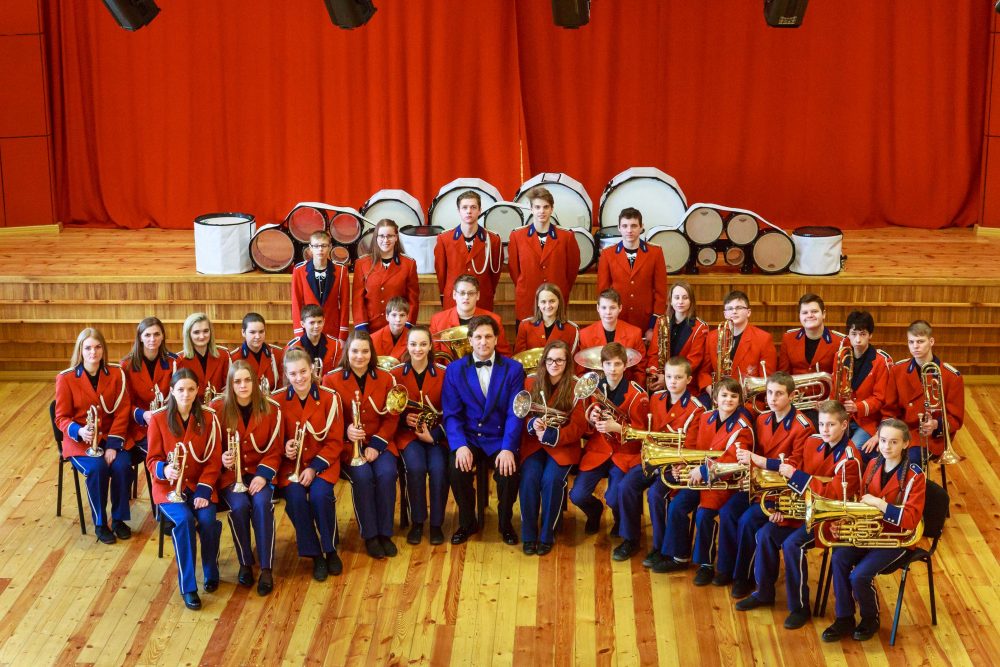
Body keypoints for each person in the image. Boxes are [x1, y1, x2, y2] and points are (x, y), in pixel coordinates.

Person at [735, 400, 863, 629]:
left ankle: (800, 607)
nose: (824, 430)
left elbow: (831, 496)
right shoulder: (813, 441)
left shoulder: (850, 459)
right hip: (801, 510)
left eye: (831, 425)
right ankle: (764, 592)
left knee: (793, 545)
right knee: (765, 534)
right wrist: (779, 506)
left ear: (845, 425)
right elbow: (792, 472)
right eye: (821, 424)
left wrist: (797, 476)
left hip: (829, 518)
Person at [821, 418, 925, 643]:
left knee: (859, 576)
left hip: (897, 539)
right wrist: (845, 521)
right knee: (838, 557)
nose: (887, 446)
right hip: (869, 532)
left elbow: (910, 520)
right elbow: (860, 502)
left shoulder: (915, 476)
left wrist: (880, 504)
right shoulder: (872, 466)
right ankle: (844, 617)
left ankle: (870, 618)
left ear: (906, 444)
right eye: (884, 440)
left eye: (894, 442)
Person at [654, 378, 753, 578]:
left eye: (733, 396)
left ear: (740, 400)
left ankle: (706, 564)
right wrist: (682, 465)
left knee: (703, 515)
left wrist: (704, 471)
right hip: (701, 479)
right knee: (677, 506)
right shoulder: (706, 416)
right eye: (724, 395)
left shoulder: (743, 427)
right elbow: (692, 446)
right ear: (715, 398)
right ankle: (679, 557)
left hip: (725, 484)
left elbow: (732, 459)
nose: (728, 399)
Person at [727, 372, 813, 598]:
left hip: (782, 492)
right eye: (769, 393)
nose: (772, 398)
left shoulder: (803, 426)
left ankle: (744, 578)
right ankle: (727, 569)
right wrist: (750, 474)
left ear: (792, 396)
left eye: (779, 394)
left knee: (747, 521)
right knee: (728, 511)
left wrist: (758, 461)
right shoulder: (763, 419)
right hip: (759, 485)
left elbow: (794, 466)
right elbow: (755, 454)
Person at [442, 315, 525, 546]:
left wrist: (508, 448)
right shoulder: (454, 370)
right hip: (470, 437)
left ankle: (505, 524)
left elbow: (515, 413)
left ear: (496, 339)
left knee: (509, 472)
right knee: (456, 469)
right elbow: (452, 414)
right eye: (478, 337)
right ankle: (467, 522)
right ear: (469, 340)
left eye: (488, 336)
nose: (483, 342)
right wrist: (459, 445)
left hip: (500, 438)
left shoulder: (514, 369)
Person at [146, 368, 223, 610]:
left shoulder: (209, 417)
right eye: (180, 390)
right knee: (185, 521)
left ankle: (211, 570)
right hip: (169, 488)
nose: (186, 394)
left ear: (198, 390)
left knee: (208, 520)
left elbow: (214, 459)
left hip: (199, 485)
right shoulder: (158, 419)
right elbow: (151, 460)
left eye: (191, 389)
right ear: (171, 391)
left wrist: (204, 490)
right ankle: (188, 587)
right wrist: (164, 469)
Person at [322, 331, 400, 559]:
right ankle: (371, 536)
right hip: (349, 446)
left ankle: (385, 533)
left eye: (365, 351)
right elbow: (327, 418)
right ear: (347, 352)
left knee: (387, 474)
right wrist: (345, 430)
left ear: (371, 353)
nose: (360, 356)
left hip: (380, 442)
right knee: (363, 477)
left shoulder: (386, 378)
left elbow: (392, 416)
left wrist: (376, 444)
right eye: (355, 351)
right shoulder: (331, 379)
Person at [570, 342, 650, 560]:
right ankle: (595, 512)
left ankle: (620, 521)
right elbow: (586, 426)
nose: (612, 369)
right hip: (599, 450)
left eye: (617, 364)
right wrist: (591, 417)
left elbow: (643, 433)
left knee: (615, 498)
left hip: (625, 453)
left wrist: (618, 428)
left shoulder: (637, 394)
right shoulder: (595, 388)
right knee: (577, 495)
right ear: (601, 365)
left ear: (625, 365)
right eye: (608, 364)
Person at [54, 328, 132, 543]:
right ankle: (100, 522)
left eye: (98, 347)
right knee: (97, 469)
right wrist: (79, 431)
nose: (93, 352)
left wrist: (113, 445)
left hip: (111, 437)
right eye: (88, 348)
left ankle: (119, 519)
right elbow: (61, 418)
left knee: (122, 466)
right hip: (81, 442)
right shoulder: (66, 378)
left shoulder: (116, 373)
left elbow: (123, 410)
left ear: (103, 349)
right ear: (80, 350)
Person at [273, 349, 344, 581]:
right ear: (286, 374)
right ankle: (315, 555)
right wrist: (285, 446)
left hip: (322, 463)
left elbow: (335, 441)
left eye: (303, 371)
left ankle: (330, 549)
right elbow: (271, 439)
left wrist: (314, 468)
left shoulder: (329, 397)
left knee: (320, 496)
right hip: (290, 466)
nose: (299, 378)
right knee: (295, 498)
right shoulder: (277, 400)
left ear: (312, 369)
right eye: (293, 374)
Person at [214, 361, 283, 596]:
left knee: (262, 504)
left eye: (247, 380)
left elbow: (275, 449)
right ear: (230, 384)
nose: (243, 386)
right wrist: (221, 458)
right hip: (230, 475)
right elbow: (210, 446)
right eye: (237, 381)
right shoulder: (217, 409)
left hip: (259, 472)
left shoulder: (271, 408)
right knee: (240, 506)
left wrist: (263, 475)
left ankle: (266, 567)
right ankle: (245, 562)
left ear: (255, 382)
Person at [519, 340, 589, 556]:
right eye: (549, 360)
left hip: (562, 445)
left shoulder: (577, 387)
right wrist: (533, 423)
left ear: (567, 362)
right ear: (543, 361)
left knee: (551, 481)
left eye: (559, 360)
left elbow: (578, 426)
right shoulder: (531, 382)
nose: (554, 364)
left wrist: (552, 434)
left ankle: (547, 534)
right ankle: (529, 534)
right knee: (529, 478)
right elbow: (522, 413)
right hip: (534, 444)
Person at [642, 356, 705, 570]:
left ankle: (660, 547)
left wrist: (678, 464)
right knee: (627, 484)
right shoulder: (656, 398)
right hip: (655, 459)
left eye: (678, 377)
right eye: (668, 377)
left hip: (676, 465)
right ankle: (630, 538)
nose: (672, 381)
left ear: (689, 379)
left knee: (655, 494)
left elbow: (692, 446)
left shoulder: (696, 408)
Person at [391, 326, 448, 545]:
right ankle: (417, 522)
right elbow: (390, 410)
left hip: (435, 436)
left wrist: (435, 435)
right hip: (409, 435)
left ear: (431, 346)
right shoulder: (395, 374)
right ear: (407, 346)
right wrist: (404, 419)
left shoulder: (443, 372)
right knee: (415, 469)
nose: (418, 349)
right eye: (413, 344)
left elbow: (452, 410)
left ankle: (436, 524)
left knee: (439, 469)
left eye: (423, 344)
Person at [884, 320, 964, 466]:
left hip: (932, 438)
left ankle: (914, 482)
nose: (915, 346)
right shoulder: (897, 370)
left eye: (920, 341)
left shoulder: (951, 376)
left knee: (909, 460)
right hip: (902, 432)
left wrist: (936, 424)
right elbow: (889, 409)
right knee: (874, 455)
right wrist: (886, 434)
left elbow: (956, 420)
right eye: (911, 342)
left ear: (931, 341)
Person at [507, 187, 580, 321]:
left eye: (546, 207)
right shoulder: (517, 236)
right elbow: (514, 271)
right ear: (531, 209)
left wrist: (560, 288)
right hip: (527, 300)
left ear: (552, 209)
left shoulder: (566, 236)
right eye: (537, 207)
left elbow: (572, 270)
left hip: (555, 300)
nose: (542, 211)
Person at [596, 207, 667, 339]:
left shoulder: (655, 253)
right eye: (625, 226)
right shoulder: (607, 254)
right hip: (617, 319)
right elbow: (603, 292)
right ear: (619, 228)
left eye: (634, 226)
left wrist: (653, 326)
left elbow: (661, 293)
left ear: (641, 227)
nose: (629, 230)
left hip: (645, 320)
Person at [697, 291, 777, 403]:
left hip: (748, 401)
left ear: (748, 312)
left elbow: (767, 379)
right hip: (717, 397)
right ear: (725, 314)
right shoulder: (712, 337)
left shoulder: (764, 339)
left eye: (739, 307)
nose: (734, 311)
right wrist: (713, 392)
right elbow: (704, 372)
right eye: (729, 308)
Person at [433, 190, 503, 312]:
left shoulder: (493, 240)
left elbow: (494, 275)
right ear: (458, 211)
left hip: (481, 300)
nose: (469, 211)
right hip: (454, 300)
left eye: (473, 207)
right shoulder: (444, 239)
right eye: (464, 207)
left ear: (479, 210)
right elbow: (441, 273)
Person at [121, 317, 176, 460]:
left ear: (163, 336)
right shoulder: (126, 365)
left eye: (157, 334)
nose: (153, 339)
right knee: (162, 455)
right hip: (140, 428)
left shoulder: (174, 362)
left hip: (168, 425)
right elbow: (124, 403)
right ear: (140, 337)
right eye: (147, 335)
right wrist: (143, 415)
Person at [841, 311, 893, 463]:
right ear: (848, 335)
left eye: (863, 334)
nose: (858, 339)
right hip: (843, 418)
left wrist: (857, 407)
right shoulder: (841, 356)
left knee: (851, 453)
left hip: (868, 422)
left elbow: (880, 399)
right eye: (854, 334)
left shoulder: (880, 361)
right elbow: (836, 389)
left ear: (870, 335)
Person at [352, 218, 419, 333]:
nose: (385, 240)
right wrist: (362, 328)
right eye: (381, 236)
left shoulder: (409, 264)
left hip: (398, 327)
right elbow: (358, 301)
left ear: (396, 237)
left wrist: (407, 326)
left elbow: (413, 300)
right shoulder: (362, 264)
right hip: (370, 328)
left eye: (390, 236)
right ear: (376, 238)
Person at [578, 289, 649, 387]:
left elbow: (640, 370)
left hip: (626, 388)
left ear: (620, 308)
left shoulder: (635, 333)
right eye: (604, 307)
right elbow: (581, 370)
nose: (608, 312)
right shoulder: (585, 334)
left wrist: (633, 392)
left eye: (612, 307)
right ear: (598, 308)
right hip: (595, 388)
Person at [647, 281, 709, 394]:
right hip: (660, 379)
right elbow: (653, 353)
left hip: (685, 383)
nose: (680, 301)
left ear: (691, 301)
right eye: (676, 297)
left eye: (685, 298)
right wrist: (655, 374)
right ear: (670, 301)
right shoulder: (661, 321)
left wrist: (669, 378)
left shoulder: (700, 327)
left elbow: (693, 362)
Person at [429, 274, 511, 357]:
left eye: (471, 293)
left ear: (477, 295)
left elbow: (504, 355)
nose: (466, 297)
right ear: (454, 294)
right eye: (462, 293)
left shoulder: (495, 320)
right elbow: (434, 357)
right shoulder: (438, 320)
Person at [290, 229, 350, 339]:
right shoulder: (299, 270)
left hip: (333, 330)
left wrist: (343, 334)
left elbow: (345, 304)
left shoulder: (341, 270)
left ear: (330, 247)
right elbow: (296, 303)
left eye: (324, 245)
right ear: (310, 248)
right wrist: (299, 334)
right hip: (308, 330)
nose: (320, 249)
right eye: (316, 246)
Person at [778, 294, 847, 375]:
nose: (810, 315)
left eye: (814, 311)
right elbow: (783, 376)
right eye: (805, 312)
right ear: (799, 316)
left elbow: (841, 378)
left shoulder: (840, 342)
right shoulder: (788, 339)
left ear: (823, 314)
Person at [175, 312, 231, 403]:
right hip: (191, 408)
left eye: (206, 331)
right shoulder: (179, 360)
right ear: (188, 334)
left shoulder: (223, 355)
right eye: (196, 332)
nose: (202, 336)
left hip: (218, 407)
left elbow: (227, 388)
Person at [514, 283, 579, 355]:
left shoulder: (571, 329)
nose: (548, 306)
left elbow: (572, 360)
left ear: (559, 302)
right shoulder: (525, 326)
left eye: (552, 301)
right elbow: (518, 358)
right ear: (538, 303)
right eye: (543, 302)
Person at [231, 313, 285, 392]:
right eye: (252, 332)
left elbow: (282, 387)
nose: (258, 336)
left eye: (261, 332)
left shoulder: (277, 354)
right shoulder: (234, 358)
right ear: (243, 332)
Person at [286, 304, 344, 377]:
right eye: (312, 323)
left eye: (319, 322)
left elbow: (337, 373)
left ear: (324, 322)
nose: (316, 326)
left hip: (326, 383)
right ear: (302, 324)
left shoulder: (335, 345)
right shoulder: (292, 347)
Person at [370, 296, 411, 361]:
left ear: (407, 317)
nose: (398, 319)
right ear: (387, 317)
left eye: (402, 315)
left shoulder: (412, 338)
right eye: (394, 315)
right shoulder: (373, 339)